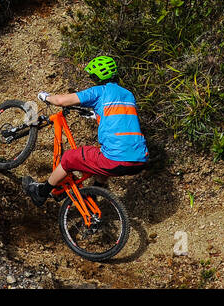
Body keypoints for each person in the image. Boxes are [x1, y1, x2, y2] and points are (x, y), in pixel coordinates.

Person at [21, 55, 149, 205]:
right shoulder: (128, 94)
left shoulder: (99, 91)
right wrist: (96, 114)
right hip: (140, 159)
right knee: (101, 158)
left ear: (96, 77)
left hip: (115, 159)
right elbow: (120, 117)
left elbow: (61, 101)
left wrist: (46, 97)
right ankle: (93, 193)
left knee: (68, 158)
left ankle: (40, 193)